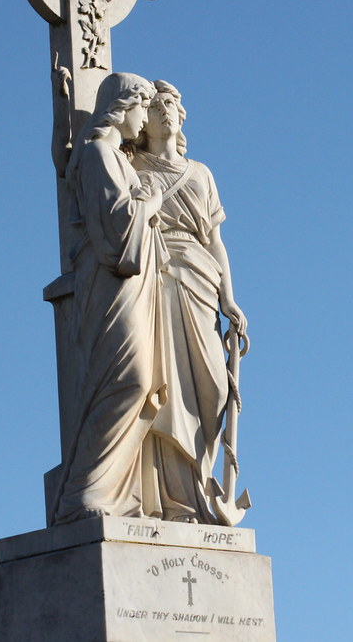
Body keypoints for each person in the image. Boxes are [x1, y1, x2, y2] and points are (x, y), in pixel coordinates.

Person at [130, 80, 247, 524]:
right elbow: (75, 170)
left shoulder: (200, 173)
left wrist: (229, 299)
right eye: (159, 107)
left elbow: (216, 241)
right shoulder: (132, 165)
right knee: (165, 386)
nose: (167, 113)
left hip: (200, 278)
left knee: (213, 388)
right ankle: (169, 498)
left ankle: (199, 484)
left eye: (174, 107)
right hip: (155, 275)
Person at [53, 73, 165, 525]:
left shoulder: (113, 155)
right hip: (111, 283)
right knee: (127, 379)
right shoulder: (99, 153)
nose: (144, 121)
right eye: (141, 108)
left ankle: (113, 491)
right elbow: (117, 237)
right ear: (123, 105)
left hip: (132, 285)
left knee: (137, 383)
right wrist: (151, 203)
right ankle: (83, 493)